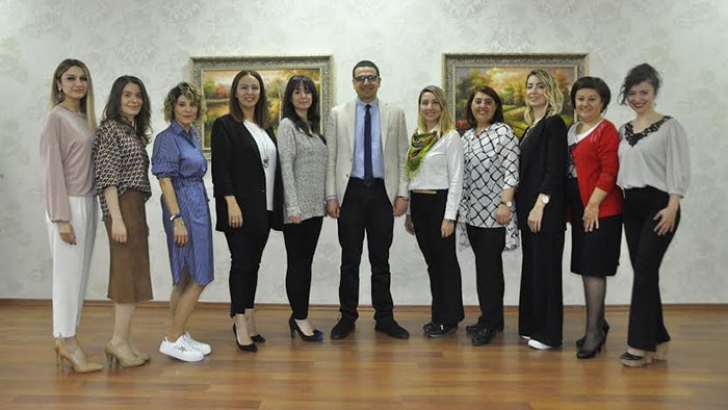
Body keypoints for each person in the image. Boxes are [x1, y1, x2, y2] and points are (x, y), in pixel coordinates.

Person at [325, 60, 410, 340]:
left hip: (382, 194)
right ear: (353, 83)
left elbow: (402, 156)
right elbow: (332, 158)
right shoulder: (338, 114)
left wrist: (402, 194)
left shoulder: (395, 113)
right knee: (349, 260)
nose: (366, 82)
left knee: (380, 260)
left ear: (379, 81)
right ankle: (347, 317)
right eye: (360, 78)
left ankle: (384, 317)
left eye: (371, 77)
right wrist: (331, 196)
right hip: (349, 193)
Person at [617, 64, 690, 367]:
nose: (637, 98)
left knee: (645, 271)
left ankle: (639, 346)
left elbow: (679, 168)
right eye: (632, 93)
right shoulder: (623, 130)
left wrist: (673, 205)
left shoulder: (670, 126)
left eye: (644, 92)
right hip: (630, 207)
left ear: (655, 93)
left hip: (660, 206)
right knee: (645, 274)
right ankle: (659, 339)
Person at [211, 70, 283, 353]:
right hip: (238, 209)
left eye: (254, 87)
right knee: (241, 263)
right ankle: (239, 321)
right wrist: (231, 202)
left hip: (263, 209)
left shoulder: (266, 128)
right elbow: (221, 170)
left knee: (253, 264)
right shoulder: (225, 125)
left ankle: (249, 317)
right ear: (235, 92)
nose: (249, 92)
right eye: (244, 87)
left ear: (260, 93)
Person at [40, 59, 103, 373]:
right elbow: (51, 170)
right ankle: (68, 342)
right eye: (70, 78)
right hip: (68, 205)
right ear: (59, 83)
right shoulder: (56, 118)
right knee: (66, 279)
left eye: (83, 78)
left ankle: (63, 338)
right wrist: (61, 218)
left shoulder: (84, 119)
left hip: (88, 202)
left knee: (78, 277)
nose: (78, 84)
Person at [93, 76, 153, 367]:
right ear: (117, 98)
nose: (133, 100)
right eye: (127, 94)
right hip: (121, 206)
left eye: (138, 95)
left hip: (135, 207)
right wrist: (116, 219)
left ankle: (124, 340)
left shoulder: (132, 132)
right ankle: (117, 342)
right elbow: (107, 178)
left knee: (134, 275)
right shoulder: (110, 130)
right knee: (125, 276)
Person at [151, 82, 213, 362]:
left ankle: (175, 333)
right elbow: (165, 180)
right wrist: (177, 219)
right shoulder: (167, 138)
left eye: (192, 104)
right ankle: (174, 339)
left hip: (197, 203)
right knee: (199, 275)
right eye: (182, 104)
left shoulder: (191, 135)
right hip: (183, 208)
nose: (188, 109)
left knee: (187, 275)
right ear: (172, 107)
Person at [565, 77, 623, 359]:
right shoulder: (572, 130)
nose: (585, 104)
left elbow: (610, 171)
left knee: (593, 269)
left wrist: (593, 205)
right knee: (586, 265)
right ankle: (599, 324)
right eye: (580, 98)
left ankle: (593, 333)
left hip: (601, 210)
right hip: (580, 208)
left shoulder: (606, 130)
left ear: (603, 102)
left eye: (592, 99)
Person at [458, 86, 519, 346]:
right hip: (472, 214)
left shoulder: (503, 132)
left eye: (488, 102)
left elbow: (512, 171)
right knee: (483, 268)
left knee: (489, 269)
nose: (482, 106)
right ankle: (490, 318)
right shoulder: (467, 137)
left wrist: (506, 203)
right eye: (478, 101)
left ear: (496, 107)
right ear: (470, 106)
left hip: (496, 213)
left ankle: (491, 323)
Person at [403, 85, 464, 338]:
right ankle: (438, 315)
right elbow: (412, 175)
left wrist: (449, 217)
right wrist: (409, 212)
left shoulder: (450, 136)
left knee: (445, 263)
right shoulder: (417, 136)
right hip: (419, 205)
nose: (429, 107)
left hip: (440, 204)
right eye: (425, 102)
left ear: (442, 107)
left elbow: (457, 179)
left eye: (434, 102)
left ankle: (450, 319)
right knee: (433, 264)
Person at [516, 69, 568, 350]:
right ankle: (532, 326)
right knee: (533, 269)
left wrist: (540, 206)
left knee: (546, 272)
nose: (533, 91)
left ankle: (549, 335)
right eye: (530, 86)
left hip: (545, 212)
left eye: (540, 86)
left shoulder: (554, 124)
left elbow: (554, 170)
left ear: (550, 92)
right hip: (529, 212)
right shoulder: (531, 127)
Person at [278, 75, 327, 342]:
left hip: (316, 210)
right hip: (296, 211)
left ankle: (298, 314)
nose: (303, 96)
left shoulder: (313, 129)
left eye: (307, 91)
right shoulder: (287, 126)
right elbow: (286, 167)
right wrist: (293, 207)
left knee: (305, 265)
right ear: (290, 97)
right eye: (297, 92)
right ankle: (300, 318)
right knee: (297, 265)